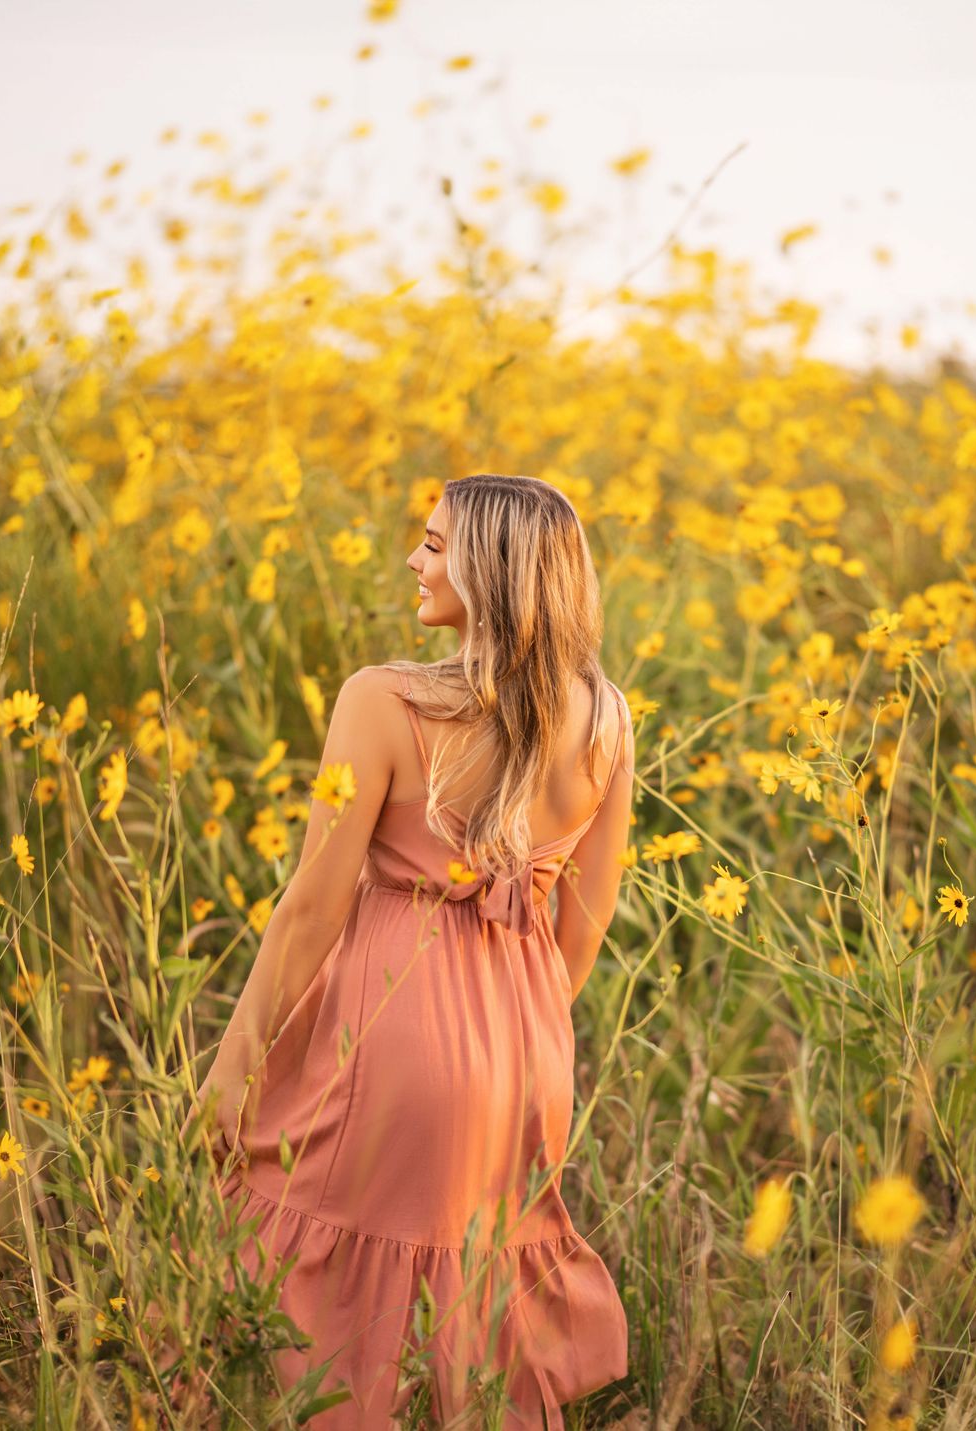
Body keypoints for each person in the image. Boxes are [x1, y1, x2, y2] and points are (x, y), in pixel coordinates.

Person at [183, 473, 636, 1428]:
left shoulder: (380, 700)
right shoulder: (605, 717)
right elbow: (586, 921)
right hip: (528, 1050)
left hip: (390, 1026)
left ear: (492, 570)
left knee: (302, 1241)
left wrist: (233, 1066)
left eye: (434, 545)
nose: (413, 560)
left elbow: (312, 907)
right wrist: (518, 1025)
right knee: (471, 1282)